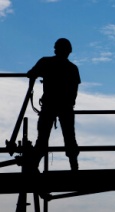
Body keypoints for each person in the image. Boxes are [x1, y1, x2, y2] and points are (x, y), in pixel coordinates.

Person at [27, 38, 81, 171]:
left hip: (51, 106)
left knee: (43, 139)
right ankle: (74, 168)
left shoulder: (46, 62)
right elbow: (74, 92)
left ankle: (33, 167)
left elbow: (32, 73)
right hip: (65, 107)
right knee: (69, 138)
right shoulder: (72, 68)